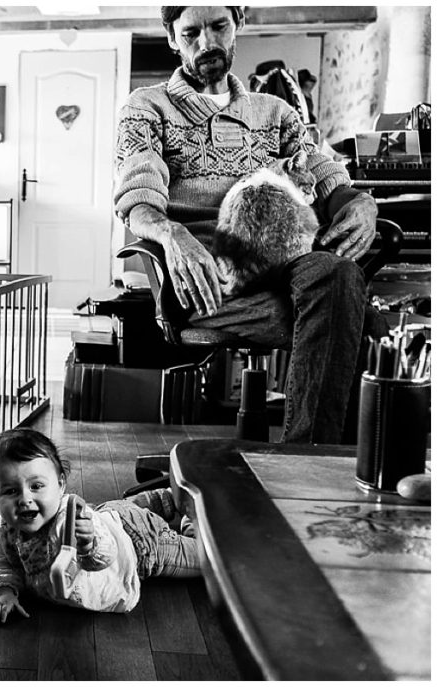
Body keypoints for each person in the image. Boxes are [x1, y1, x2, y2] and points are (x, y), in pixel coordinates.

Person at [114, 6, 384, 444]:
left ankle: (318, 466)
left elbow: (323, 172)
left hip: (282, 265)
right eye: (191, 33)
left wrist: (360, 202)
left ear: (238, 25)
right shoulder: (148, 106)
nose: (206, 43)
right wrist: (171, 233)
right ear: (171, 38)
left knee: (340, 276)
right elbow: (139, 200)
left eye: (219, 26)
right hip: (207, 278)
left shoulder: (274, 111)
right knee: (360, 321)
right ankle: (309, 465)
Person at [0, 429, 199, 623]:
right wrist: (3, 591)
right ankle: (171, 497)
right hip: (111, 513)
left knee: (210, 559)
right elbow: (1, 562)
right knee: (141, 506)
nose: (24, 499)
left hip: (140, 545)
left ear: (60, 485)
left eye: (36, 486)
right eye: (10, 491)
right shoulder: (3, 531)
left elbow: (106, 556)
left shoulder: (72, 521)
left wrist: (89, 545)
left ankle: (190, 519)